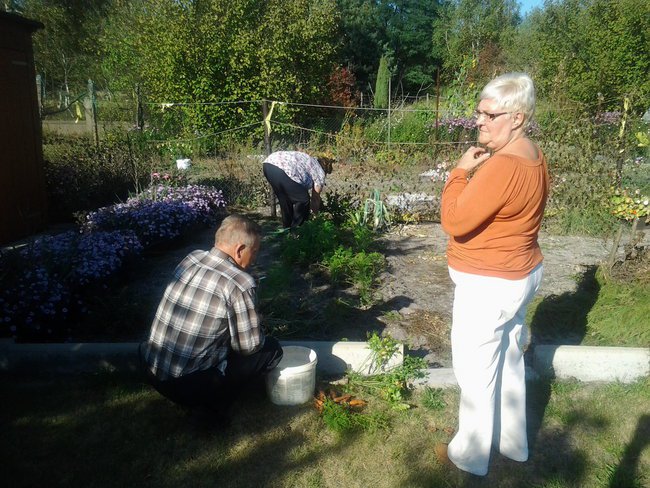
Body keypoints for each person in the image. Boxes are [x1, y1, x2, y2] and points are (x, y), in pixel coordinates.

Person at [436, 73, 549, 476]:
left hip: (489, 283)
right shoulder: (533, 154)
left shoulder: (503, 166)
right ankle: (513, 443)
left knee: (476, 371)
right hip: (519, 274)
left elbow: (454, 220)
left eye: (490, 115)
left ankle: (470, 455)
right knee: (508, 362)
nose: (479, 121)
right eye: (478, 112)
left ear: (517, 118)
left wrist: (458, 173)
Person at [140, 214, 283, 424]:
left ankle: (201, 396)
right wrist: (257, 323)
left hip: (151, 368)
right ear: (240, 250)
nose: (255, 258)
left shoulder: (192, 258)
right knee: (271, 349)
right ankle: (212, 410)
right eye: (254, 251)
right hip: (187, 385)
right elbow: (248, 347)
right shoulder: (240, 282)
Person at [262, 150, 334, 228]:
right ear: (326, 170)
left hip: (269, 165)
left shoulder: (310, 161)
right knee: (303, 199)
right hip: (282, 168)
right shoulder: (320, 171)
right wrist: (315, 217)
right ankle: (297, 230)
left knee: (285, 199)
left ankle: (287, 229)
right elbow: (315, 198)